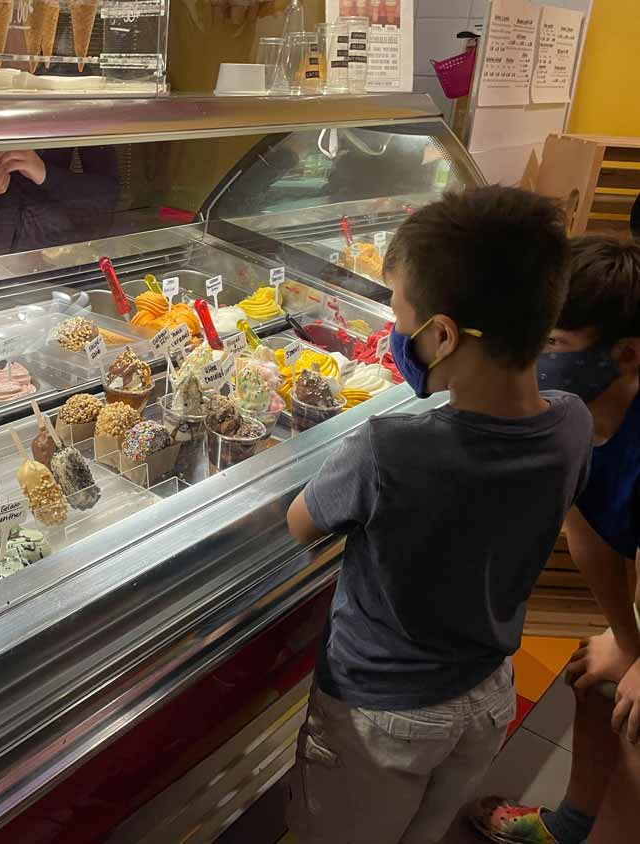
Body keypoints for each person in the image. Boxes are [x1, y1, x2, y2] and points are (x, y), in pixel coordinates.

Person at [284, 186, 593, 844]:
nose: (394, 333)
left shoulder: (387, 448)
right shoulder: (572, 422)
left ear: (442, 335)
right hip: (486, 696)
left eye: (398, 316)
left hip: (380, 713)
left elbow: (300, 524)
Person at [473, 235, 640, 844]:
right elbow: (592, 537)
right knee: (595, 678)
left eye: (555, 345)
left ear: (624, 355)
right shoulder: (575, 417)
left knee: (635, 727)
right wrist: (626, 639)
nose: (534, 356)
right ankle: (571, 827)